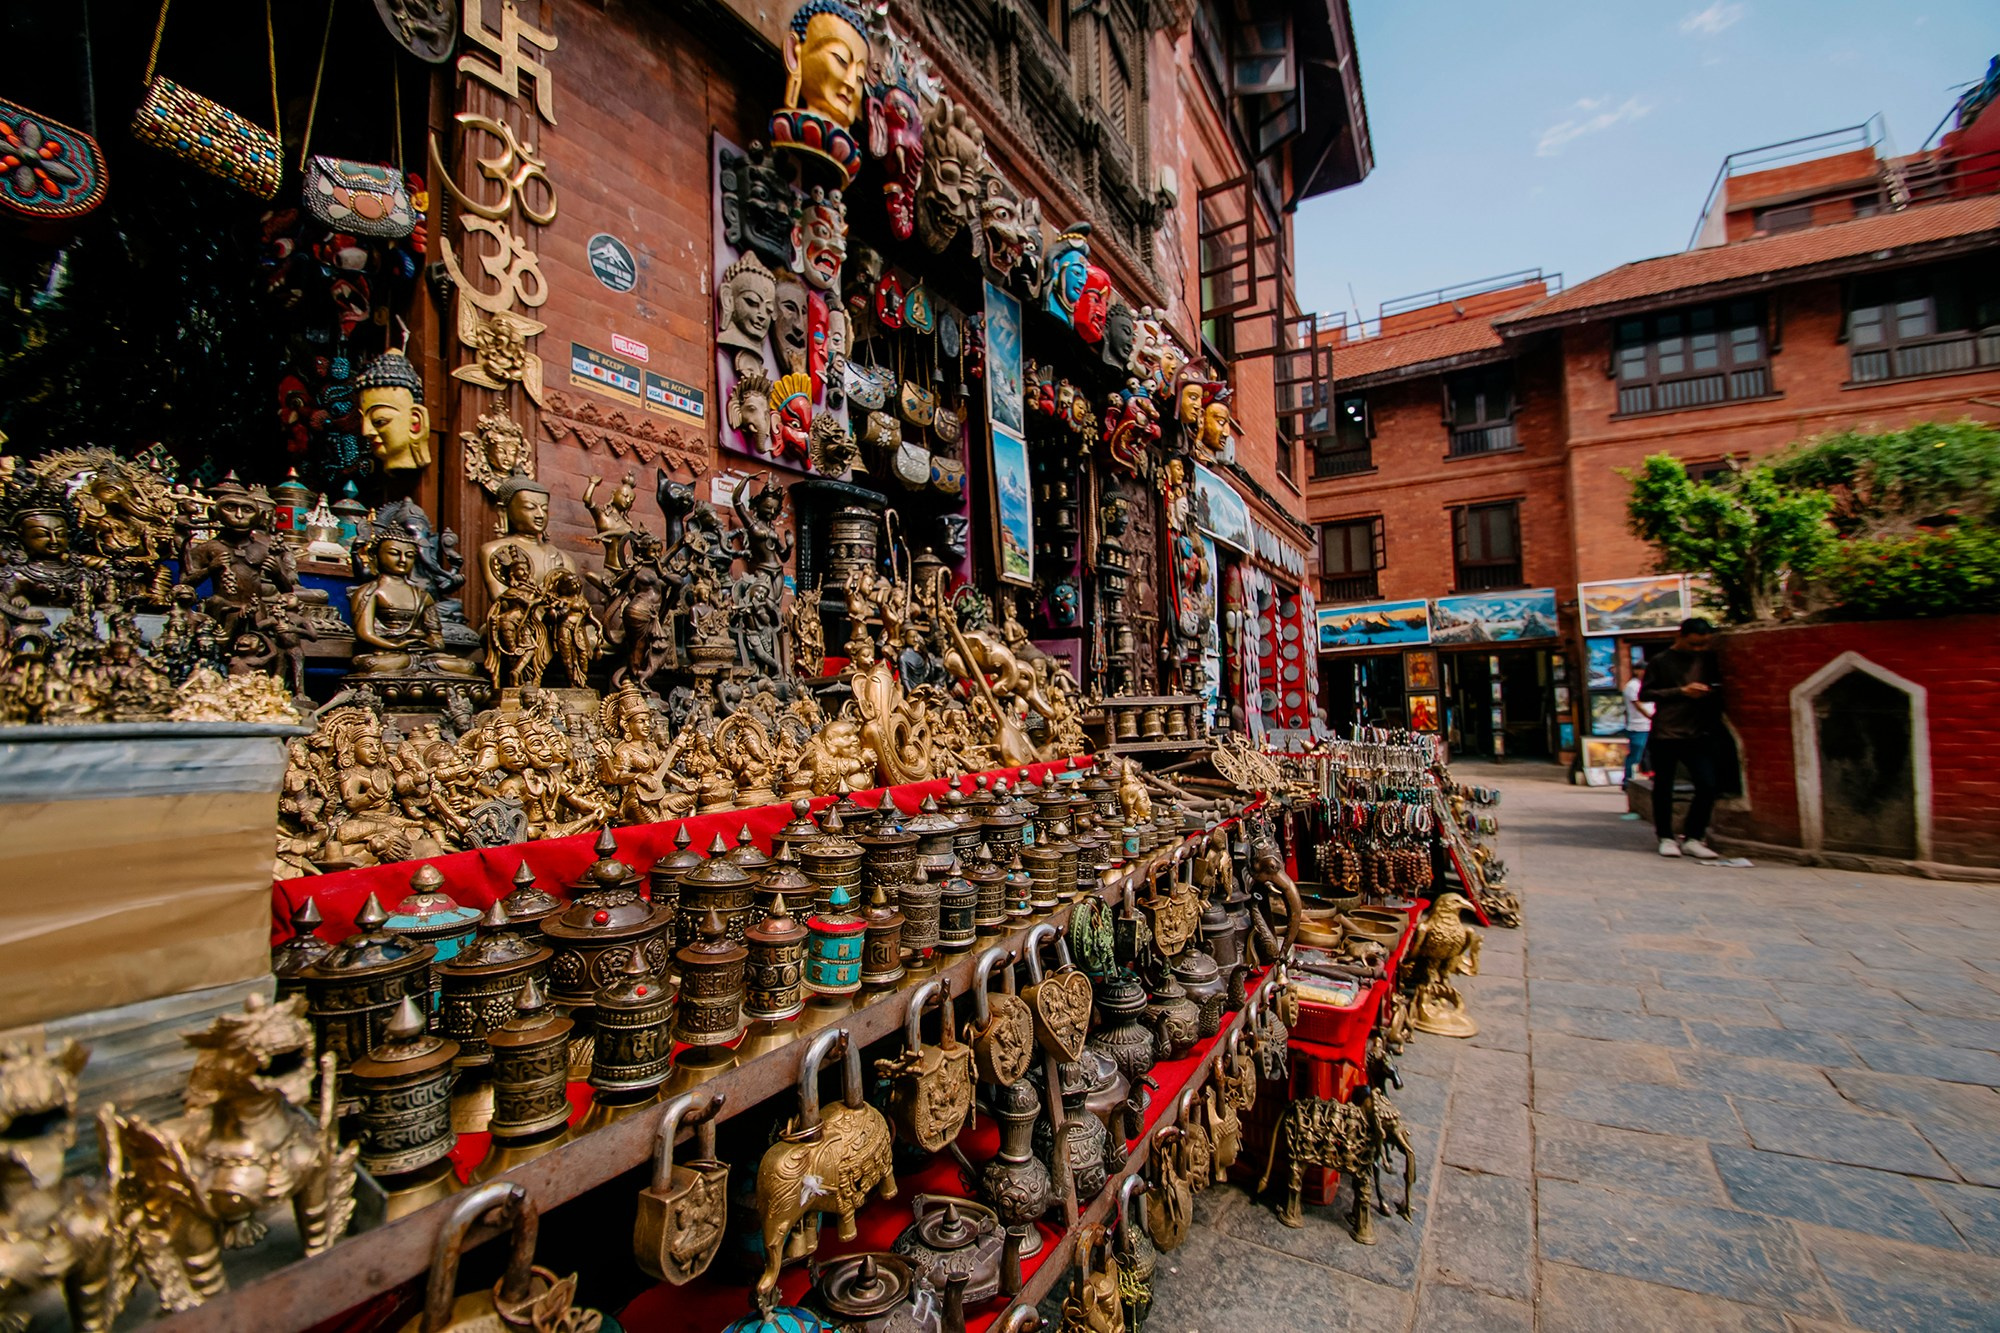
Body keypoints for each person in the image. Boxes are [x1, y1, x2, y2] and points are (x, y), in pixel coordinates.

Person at [1641, 618, 1723, 860]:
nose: (1698, 649)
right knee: (1664, 787)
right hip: (1666, 732)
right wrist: (1681, 692)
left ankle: (1694, 837)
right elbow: (1645, 693)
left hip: (1698, 731)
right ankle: (1666, 836)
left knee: (1708, 785)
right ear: (1681, 636)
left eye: (1703, 644)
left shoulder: (1708, 659)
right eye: (1694, 644)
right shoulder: (1661, 661)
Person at [1621, 664, 1654, 786]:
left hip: (1650, 725)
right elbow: (1637, 704)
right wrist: (1650, 716)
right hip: (1638, 726)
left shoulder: (1647, 684)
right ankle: (1627, 781)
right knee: (1635, 755)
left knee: (1650, 754)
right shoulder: (1632, 686)